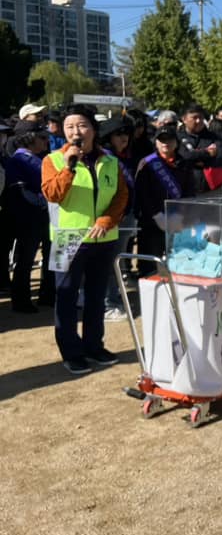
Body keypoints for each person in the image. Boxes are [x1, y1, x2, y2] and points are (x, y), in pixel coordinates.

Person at [41, 104, 128, 375]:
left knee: (96, 295)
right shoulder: (52, 160)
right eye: (69, 127)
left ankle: (94, 346)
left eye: (81, 125)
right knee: (66, 296)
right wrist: (69, 166)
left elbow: (121, 196)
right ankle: (71, 352)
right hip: (66, 237)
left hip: (103, 238)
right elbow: (52, 194)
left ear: (93, 129)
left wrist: (107, 220)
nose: (75, 132)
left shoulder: (110, 162)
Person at [134, 124, 195, 277]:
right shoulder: (147, 163)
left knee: (178, 263)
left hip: (178, 222)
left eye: (169, 139)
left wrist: (180, 214)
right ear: (155, 142)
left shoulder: (184, 164)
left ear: (176, 142)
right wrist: (156, 215)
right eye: (161, 140)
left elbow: (189, 192)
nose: (165, 143)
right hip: (151, 223)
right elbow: (142, 193)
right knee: (149, 266)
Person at [6, 122, 55, 312]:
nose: (46, 141)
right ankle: (21, 301)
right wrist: (44, 201)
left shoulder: (39, 159)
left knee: (49, 256)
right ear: (29, 138)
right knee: (26, 259)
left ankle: (48, 295)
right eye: (42, 137)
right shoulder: (18, 161)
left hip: (43, 216)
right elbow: (21, 190)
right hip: (28, 217)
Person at [99, 117, 138, 322]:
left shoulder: (122, 156)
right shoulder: (105, 157)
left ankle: (110, 299)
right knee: (109, 263)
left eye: (127, 134)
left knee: (114, 261)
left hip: (123, 216)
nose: (124, 138)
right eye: (119, 134)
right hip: (111, 217)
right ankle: (109, 304)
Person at [178, 103, 222, 195]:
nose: (198, 121)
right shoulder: (178, 138)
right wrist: (207, 153)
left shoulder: (214, 137)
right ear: (184, 119)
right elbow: (184, 157)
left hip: (212, 190)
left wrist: (204, 163)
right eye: (194, 117)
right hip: (186, 190)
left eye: (201, 117)